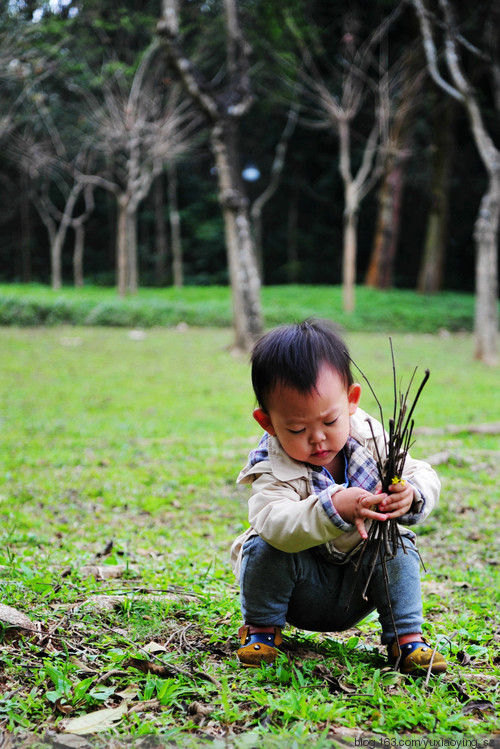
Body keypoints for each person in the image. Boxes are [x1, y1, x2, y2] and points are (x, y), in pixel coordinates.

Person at [230, 319, 446, 675]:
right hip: (300, 589)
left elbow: (420, 472)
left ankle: (406, 638)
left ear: (351, 401)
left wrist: (411, 495)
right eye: (297, 429)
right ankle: (262, 630)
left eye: (329, 422)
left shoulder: (371, 439)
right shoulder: (270, 465)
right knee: (262, 546)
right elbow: (274, 523)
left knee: (400, 545)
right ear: (268, 423)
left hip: (359, 586)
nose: (317, 438)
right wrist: (332, 509)